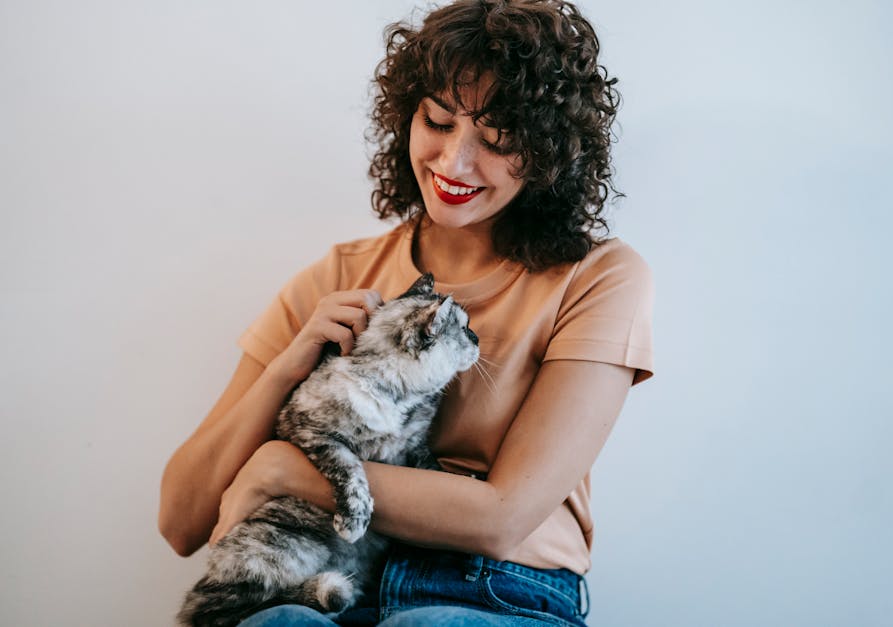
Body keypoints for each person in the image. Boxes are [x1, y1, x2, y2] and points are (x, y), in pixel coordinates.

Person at [159, 1, 654, 625]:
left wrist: (282, 467)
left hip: (495, 588)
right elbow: (181, 521)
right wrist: (287, 367)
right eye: (439, 121)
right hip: (330, 568)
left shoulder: (599, 278)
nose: (454, 164)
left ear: (549, 153)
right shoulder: (339, 277)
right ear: (407, 117)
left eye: (497, 140)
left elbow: (502, 519)